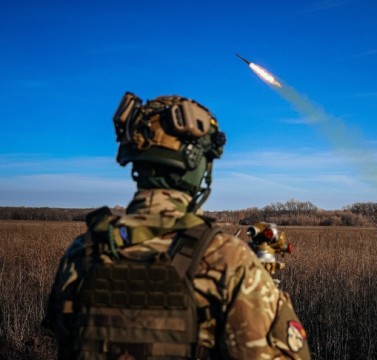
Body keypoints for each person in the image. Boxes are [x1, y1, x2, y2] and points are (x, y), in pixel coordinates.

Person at [42, 93, 310, 359]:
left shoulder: (82, 251)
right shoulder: (227, 259)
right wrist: (272, 298)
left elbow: (62, 335)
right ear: (196, 163)